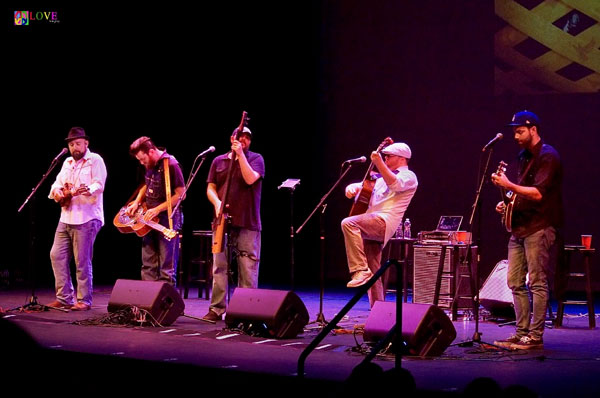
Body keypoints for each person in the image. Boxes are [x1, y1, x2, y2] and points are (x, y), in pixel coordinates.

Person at [491, 110, 563, 350]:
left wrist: (509, 185)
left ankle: (535, 337)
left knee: (538, 282)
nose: (516, 136)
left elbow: (538, 193)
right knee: (514, 282)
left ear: (533, 129)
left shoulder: (548, 156)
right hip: (520, 227)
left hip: (539, 227)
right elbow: (521, 190)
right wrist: (508, 200)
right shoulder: (523, 156)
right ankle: (521, 333)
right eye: (514, 132)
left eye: (520, 131)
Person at [341, 142, 418, 307]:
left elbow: (395, 184)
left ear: (401, 158)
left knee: (348, 223)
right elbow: (366, 187)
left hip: (384, 221)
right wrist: (352, 187)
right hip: (371, 220)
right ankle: (379, 312)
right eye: (385, 156)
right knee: (374, 271)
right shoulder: (382, 177)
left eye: (389, 156)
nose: (385, 158)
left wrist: (379, 163)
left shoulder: (409, 176)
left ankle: (359, 269)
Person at [203, 126, 265, 322]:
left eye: (248, 138)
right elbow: (211, 188)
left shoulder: (256, 159)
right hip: (222, 221)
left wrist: (240, 156)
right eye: (241, 137)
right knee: (219, 266)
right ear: (232, 138)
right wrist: (217, 202)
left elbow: (250, 179)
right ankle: (217, 309)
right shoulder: (218, 161)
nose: (245, 141)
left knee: (247, 267)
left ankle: (245, 311)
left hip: (248, 221)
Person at [47, 127, 107, 311]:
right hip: (66, 217)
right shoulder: (67, 162)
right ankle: (64, 298)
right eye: (71, 144)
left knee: (82, 260)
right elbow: (56, 184)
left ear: (86, 143)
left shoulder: (95, 160)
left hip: (87, 218)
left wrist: (83, 190)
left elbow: (99, 183)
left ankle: (84, 300)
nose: (75, 147)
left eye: (78, 143)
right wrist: (57, 192)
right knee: (56, 255)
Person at [127, 137, 185, 286]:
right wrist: (138, 201)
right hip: (149, 218)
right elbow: (147, 183)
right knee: (148, 265)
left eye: (142, 159)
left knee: (167, 268)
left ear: (151, 152)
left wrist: (157, 209)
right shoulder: (150, 164)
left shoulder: (171, 164)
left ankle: (166, 306)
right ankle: (149, 303)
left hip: (168, 219)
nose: (141, 163)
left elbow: (181, 195)